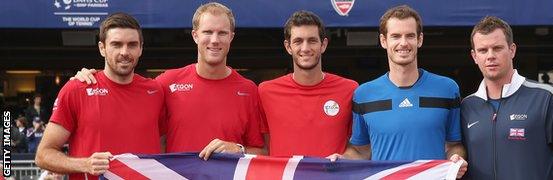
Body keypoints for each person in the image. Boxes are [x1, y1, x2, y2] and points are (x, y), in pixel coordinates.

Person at [72, 3, 265, 159]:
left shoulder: (248, 90)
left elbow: (262, 152)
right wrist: (93, 77)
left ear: (231, 37)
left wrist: (238, 149)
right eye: (207, 32)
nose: (214, 40)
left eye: (222, 33)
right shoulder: (165, 83)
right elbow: (124, 90)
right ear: (195, 35)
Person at [328, 5, 467, 178]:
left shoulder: (447, 89)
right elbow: (360, 151)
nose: (403, 43)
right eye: (396, 36)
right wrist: (342, 160)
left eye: (410, 36)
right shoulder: (363, 94)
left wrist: (457, 159)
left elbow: (453, 145)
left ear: (420, 39)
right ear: (384, 41)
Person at [35, 13, 164, 179]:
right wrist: (85, 164)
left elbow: (166, 143)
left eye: (132, 45)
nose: (125, 52)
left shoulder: (156, 91)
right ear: (102, 48)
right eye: (116, 44)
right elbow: (43, 155)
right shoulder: (76, 89)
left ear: (141, 48)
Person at [460, 16, 553, 179]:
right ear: (474, 56)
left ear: (512, 50)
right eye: (483, 50)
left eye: (497, 48)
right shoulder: (467, 107)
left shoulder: (547, 98)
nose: (490, 56)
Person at [258, 11, 357, 157]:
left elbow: (360, 147)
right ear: (288, 47)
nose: (305, 48)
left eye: (312, 41)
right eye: (298, 41)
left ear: (323, 45)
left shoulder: (350, 90)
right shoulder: (266, 92)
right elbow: (263, 148)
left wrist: (345, 159)